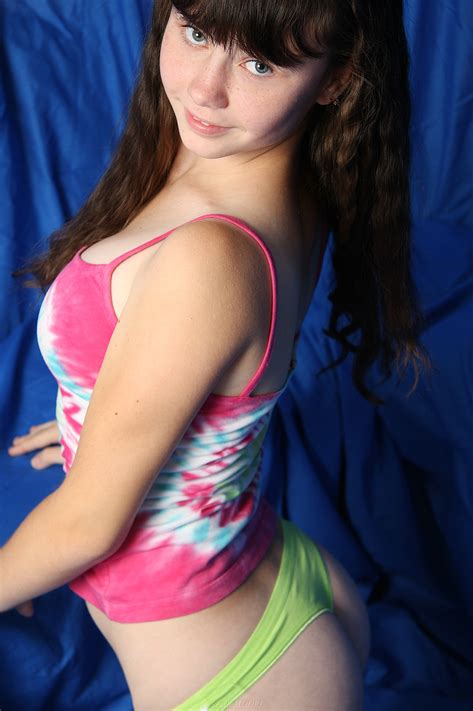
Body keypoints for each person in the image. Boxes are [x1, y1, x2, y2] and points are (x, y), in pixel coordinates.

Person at [5, 1, 431, 708]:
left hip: (242, 677)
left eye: (260, 64)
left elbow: (86, 525)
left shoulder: (210, 255)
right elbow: (215, 377)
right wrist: (106, 420)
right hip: (276, 577)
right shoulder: (273, 171)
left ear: (336, 78)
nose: (206, 89)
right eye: (198, 32)